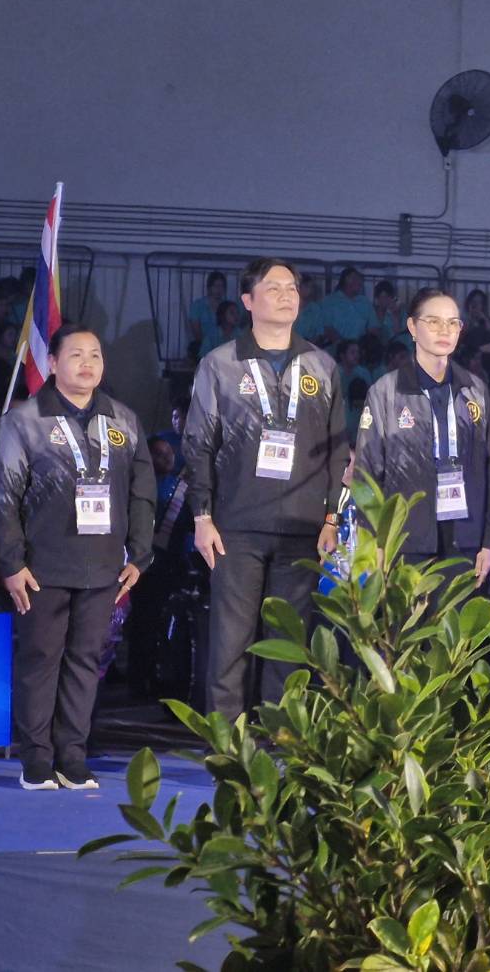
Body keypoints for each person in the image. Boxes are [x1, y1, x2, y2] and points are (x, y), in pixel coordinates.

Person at [0, 324, 155, 790]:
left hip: (104, 564)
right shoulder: (25, 420)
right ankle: (37, 758)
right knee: (41, 661)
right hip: (40, 567)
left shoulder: (122, 419)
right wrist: (11, 563)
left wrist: (140, 554)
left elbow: (143, 491)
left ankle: (72, 756)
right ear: (53, 363)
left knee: (85, 661)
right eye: (76, 355)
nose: (87, 364)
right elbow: (1, 497)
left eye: (95, 355)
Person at [182, 258, 347, 719]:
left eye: (291, 288)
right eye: (273, 288)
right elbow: (198, 444)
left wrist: (332, 517)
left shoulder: (322, 365)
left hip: (303, 526)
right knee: (229, 643)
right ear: (248, 300)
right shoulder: (220, 364)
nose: (286, 295)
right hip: (236, 525)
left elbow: (338, 450)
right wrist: (202, 516)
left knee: (289, 645)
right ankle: (226, 740)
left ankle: (284, 737)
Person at [355, 288, 490, 584]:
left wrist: (489, 541)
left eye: (453, 323)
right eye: (433, 321)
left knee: (457, 616)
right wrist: (372, 540)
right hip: (404, 538)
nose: (445, 330)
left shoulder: (474, 390)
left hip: (465, 536)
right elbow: (367, 472)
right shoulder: (386, 391)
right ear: (412, 326)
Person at [321, 266, 381, 345]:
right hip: (335, 348)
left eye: (360, 280)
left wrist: (367, 344)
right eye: (356, 279)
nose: (360, 283)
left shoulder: (365, 302)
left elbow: (373, 328)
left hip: (360, 349)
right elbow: (326, 327)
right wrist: (343, 345)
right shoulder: (329, 301)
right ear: (346, 280)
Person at [187, 271, 227, 356]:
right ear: (209, 287)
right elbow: (196, 332)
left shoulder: (228, 306)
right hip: (204, 345)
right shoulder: (198, 305)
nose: (219, 290)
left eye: (221, 286)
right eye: (216, 286)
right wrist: (208, 345)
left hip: (223, 345)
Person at [460, 288, 490, 354]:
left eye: (479, 302)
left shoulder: (487, 321)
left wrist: (484, 319)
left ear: (483, 305)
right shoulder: (462, 321)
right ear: (468, 304)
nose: (475, 305)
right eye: (473, 302)